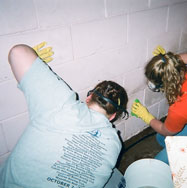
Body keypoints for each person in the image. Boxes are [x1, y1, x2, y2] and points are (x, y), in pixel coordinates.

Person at [0, 43, 129, 187]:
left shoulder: (59, 104)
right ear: (113, 116)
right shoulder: (114, 142)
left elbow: (18, 53)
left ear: (88, 98)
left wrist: (36, 66)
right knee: (117, 180)